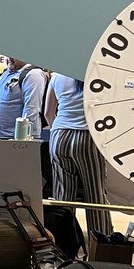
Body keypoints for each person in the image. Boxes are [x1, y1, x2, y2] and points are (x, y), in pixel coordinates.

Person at [48, 73, 112, 238]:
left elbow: (48, 112)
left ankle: (63, 247)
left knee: (62, 198)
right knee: (95, 196)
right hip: (88, 136)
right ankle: (100, 245)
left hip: (59, 135)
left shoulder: (57, 76)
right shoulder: (98, 74)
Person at [0, 57, 46, 140]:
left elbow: (32, 110)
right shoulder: (6, 72)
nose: (9, 58)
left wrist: (22, 141)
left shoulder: (33, 74)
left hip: (14, 140)